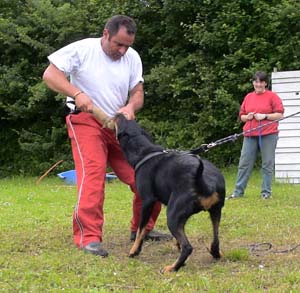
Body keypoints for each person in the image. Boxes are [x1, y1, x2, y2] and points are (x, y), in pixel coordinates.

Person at [43, 15, 171, 257]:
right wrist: (77, 92)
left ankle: (142, 229)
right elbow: (50, 75)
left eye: (127, 46)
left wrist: (131, 107)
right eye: (118, 44)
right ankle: (88, 237)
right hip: (85, 120)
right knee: (94, 173)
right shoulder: (82, 50)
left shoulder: (132, 57)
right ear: (105, 34)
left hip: (118, 126)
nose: (122, 51)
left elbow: (138, 92)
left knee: (146, 175)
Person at [229, 71, 284, 200]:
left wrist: (265, 116)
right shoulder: (248, 97)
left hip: (268, 134)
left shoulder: (272, 96)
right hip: (249, 134)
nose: (258, 84)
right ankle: (238, 192)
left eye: (261, 82)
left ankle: (266, 193)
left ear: (265, 83)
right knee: (244, 163)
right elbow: (241, 116)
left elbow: (280, 115)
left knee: (267, 164)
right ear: (253, 83)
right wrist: (247, 117)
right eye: (255, 81)